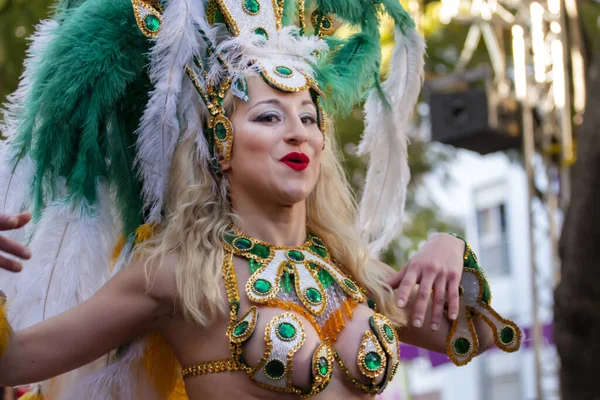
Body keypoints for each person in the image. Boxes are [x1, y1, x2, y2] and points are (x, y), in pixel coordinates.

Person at [0, 0, 520, 398]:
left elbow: (480, 333)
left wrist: (446, 247)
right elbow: (16, 360)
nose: (298, 134)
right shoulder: (179, 275)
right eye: (269, 116)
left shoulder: (350, 272)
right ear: (221, 144)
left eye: (309, 118)